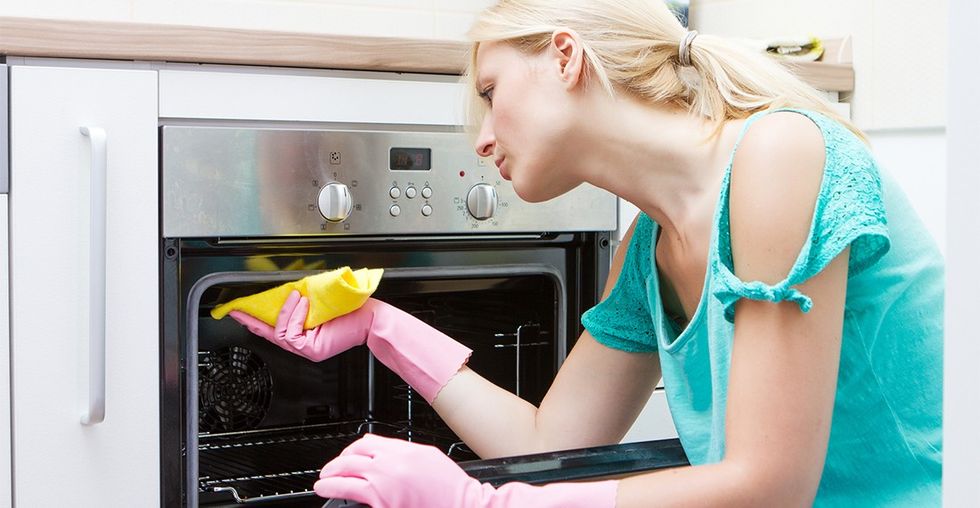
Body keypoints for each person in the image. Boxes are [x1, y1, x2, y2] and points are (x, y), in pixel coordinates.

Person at [229, 0, 944, 506]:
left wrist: (483, 506)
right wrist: (379, 326)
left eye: (490, 91)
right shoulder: (648, 250)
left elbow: (770, 483)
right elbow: (548, 439)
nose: (479, 139)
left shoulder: (779, 156)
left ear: (566, 57)